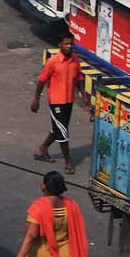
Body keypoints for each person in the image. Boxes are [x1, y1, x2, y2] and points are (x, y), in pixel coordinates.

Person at [32, 35, 91, 174]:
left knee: (58, 128)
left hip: (68, 100)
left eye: (71, 44)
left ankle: (43, 148)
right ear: (60, 45)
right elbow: (41, 81)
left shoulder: (75, 60)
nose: (69, 46)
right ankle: (68, 161)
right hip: (56, 101)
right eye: (66, 44)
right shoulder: (53, 62)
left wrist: (86, 100)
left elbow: (79, 80)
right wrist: (36, 99)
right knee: (63, 130)